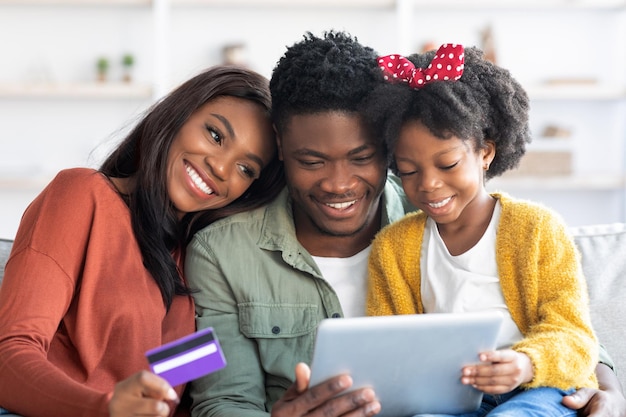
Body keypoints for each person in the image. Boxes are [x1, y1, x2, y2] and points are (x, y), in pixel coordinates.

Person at [184, 31, 626, 417]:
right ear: (281, 145)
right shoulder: (222, 254)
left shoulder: (436, 208)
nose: (339, 184)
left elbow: (563, 322)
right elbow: (223, 401)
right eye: (312, 161)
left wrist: (609, 389)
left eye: (362, 158)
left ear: (387, 144)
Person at [0, 65, 284, 417]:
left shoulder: (196, 264)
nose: (222, 168)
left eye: (246, 169)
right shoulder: (82, 196)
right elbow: (8, 357)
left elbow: (165, 389)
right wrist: (104, 409)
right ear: (178, 115)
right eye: (214, 135)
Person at [364, 44, 598, 416]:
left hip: (534, 389)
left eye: (448, 163)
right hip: (448, 396)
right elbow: (392, 349)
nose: (428, 184)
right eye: (409, 170)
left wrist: (525, 363)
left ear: (485, 152)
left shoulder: (536, 229)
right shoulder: (393, 249)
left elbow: (574, 335)